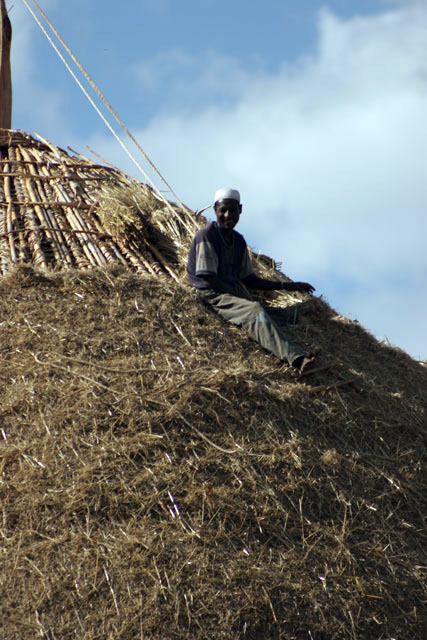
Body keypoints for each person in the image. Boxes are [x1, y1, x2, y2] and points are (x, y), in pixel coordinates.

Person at [187, 187, 316, 372]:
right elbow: (207, 278)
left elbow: (250, 280)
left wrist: (289, 286)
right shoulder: (207, 235)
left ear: (240, 210)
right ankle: (297, 359)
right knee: (255, 311)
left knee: (288, 317)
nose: (228, 215)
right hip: (212, 295)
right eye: (223, 210)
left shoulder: (239, 241)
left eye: (232, 210)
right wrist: (238, 297)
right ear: (215, 210)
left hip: (233, 293)